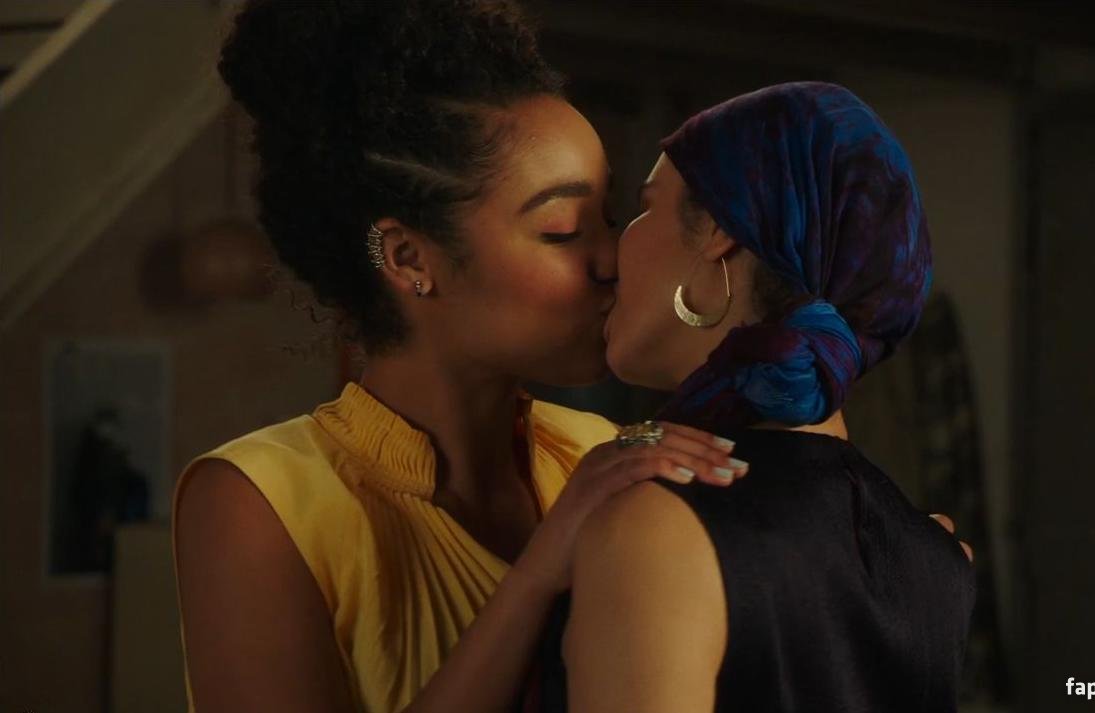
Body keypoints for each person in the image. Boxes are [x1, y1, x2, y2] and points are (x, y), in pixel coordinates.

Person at [173, 3, 972, 712]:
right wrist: (535, 578)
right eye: (560, 231)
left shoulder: (616, 458)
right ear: (412, 258)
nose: (612, 258)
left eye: (614, 215)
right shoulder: (257, 501)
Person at [529, 82, 977, 713]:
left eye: (643, 207)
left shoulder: (657, 532)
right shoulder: (936, 555)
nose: (611, 253)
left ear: (718, 231)